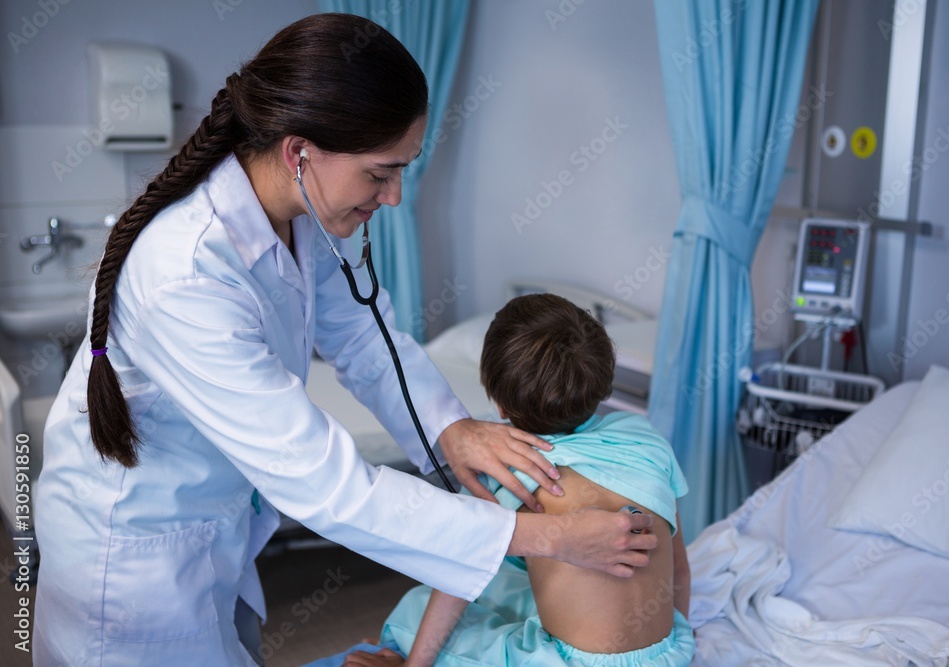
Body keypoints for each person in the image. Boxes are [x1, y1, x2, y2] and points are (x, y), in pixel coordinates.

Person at [33, 15, 657, 667]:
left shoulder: (299, 216)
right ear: (299, 152)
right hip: (133, 572)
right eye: (379, 173)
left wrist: (451, 429)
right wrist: (549, 537)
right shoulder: (185, 274)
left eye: (403, 171)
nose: (392, 198)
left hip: (210, 538)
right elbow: (329, 484)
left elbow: (364, 335)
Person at [331, 293, 695, 667]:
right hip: (670, 653)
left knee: (417, 609)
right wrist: (680, 636)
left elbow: (455, 580)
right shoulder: (647, 441)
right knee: (507, 589)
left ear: (499, 406)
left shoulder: (505, 469)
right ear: (604, 383)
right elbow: (679, 569)